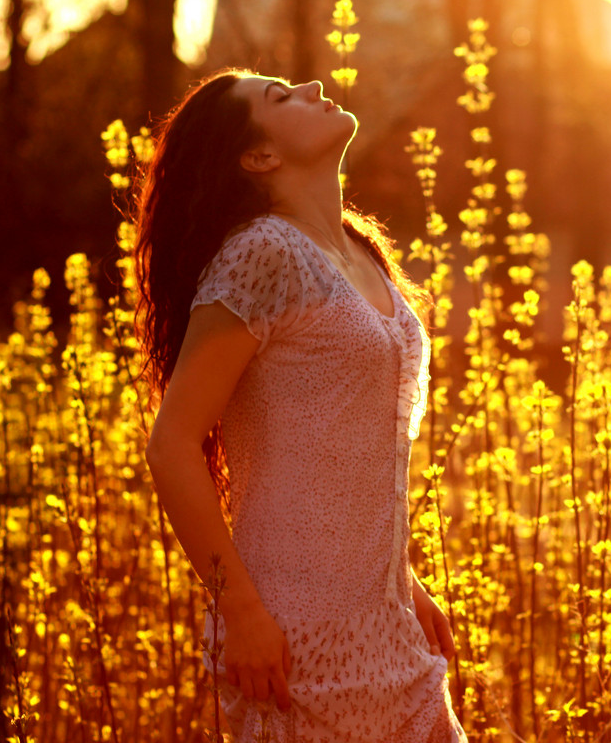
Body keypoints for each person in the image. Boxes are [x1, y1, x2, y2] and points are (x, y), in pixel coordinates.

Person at [135, 67, 468, 742]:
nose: (314, 87)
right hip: (292, 641)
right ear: (259, 156)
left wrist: (401, 578)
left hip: (388, 626)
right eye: (280, 98)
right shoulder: (262, 255)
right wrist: (242, 614)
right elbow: (172, 445)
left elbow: (342, 449)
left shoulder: (360, 254)